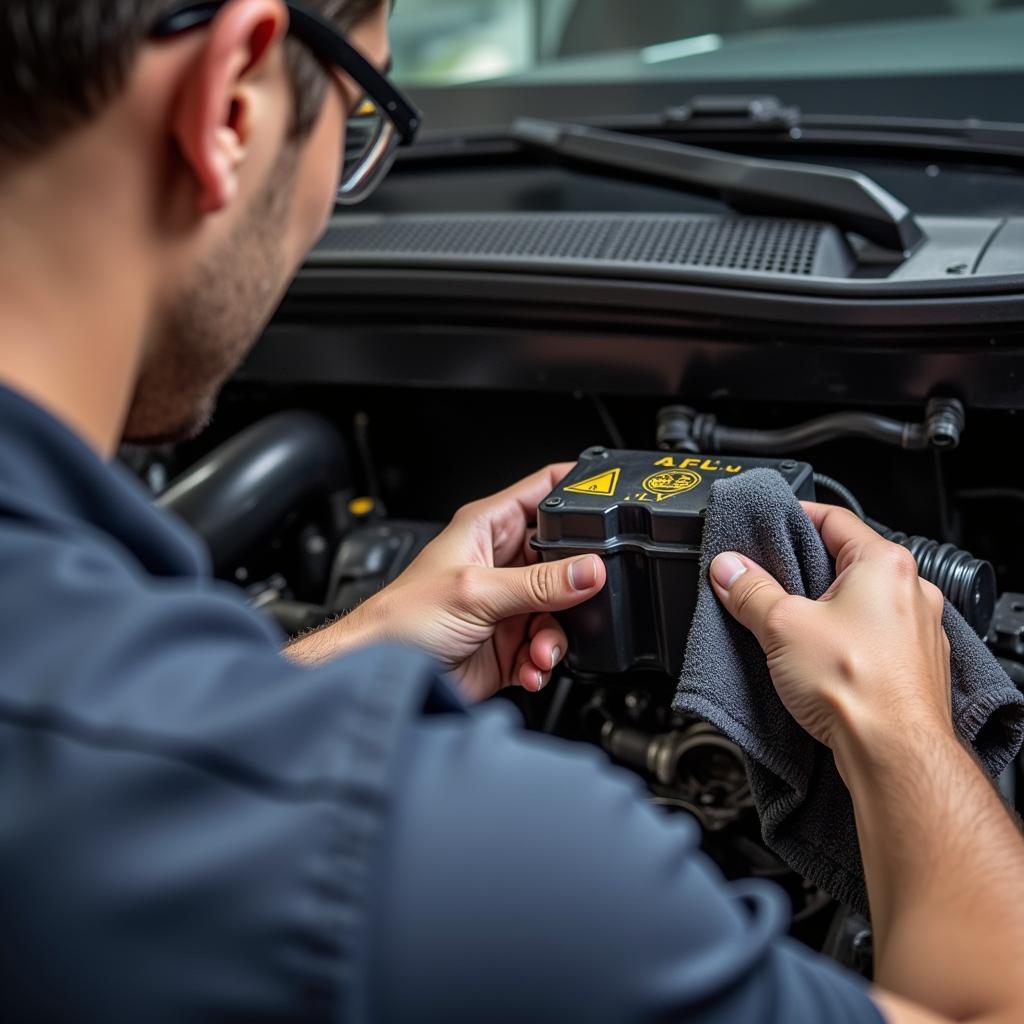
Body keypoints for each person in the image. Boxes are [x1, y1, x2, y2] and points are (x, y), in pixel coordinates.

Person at [0, 1, 1021, 1021]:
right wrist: (900, 730)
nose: (338, 189)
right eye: (357, 127)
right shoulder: (443, 859)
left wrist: (339, 657)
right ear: (231, 101)